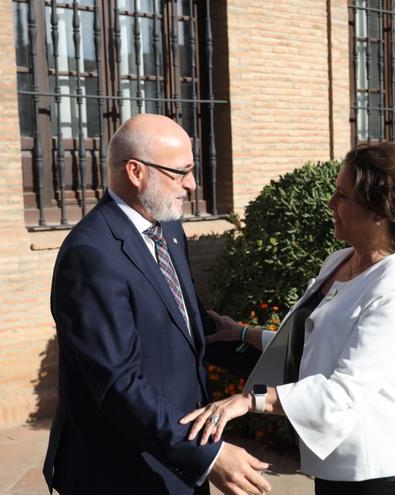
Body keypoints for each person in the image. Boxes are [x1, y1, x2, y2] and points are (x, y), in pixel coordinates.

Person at [183, 142, 395, 495]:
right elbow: (312, 343)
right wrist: (242, 333)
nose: (331, 204)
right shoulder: (340, 260)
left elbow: (341, 392)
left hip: (377, 472)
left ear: (379, 211)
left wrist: (246, 400)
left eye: (342, 195)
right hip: (336, 465)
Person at [44, 114, 271, 495]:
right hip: (121, 472)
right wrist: (209, 457)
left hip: (176, 461)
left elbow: (189, 327)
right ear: (135, 172)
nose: (192, 184)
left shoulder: (167, 227)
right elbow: (119, 384)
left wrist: (283, 362)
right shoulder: (91, 255)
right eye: (180, 172)